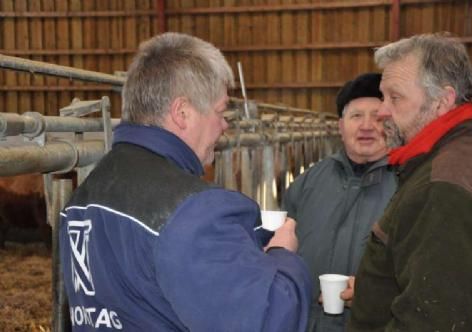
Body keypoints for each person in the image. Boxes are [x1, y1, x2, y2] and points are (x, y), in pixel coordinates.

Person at [58, 32, 312, 331]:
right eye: (220, 111)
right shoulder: (195, 213)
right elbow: (270, 320)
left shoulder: (81, 198)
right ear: (182, 113)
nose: (225, 124)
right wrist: (283, 257)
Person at [348, 33, 472, 331]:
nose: (382, 111)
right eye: (384, 96)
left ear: (442, 102)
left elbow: (433, 320)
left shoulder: (443, 186)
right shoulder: (464, 153)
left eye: (395, 97)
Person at [283, 73, 397, 332]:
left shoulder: (408, 185)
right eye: (356, 116)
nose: (366, 126)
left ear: (392, 124)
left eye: (377, 117)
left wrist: (376, 293)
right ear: (340, 126)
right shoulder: (308, 182)